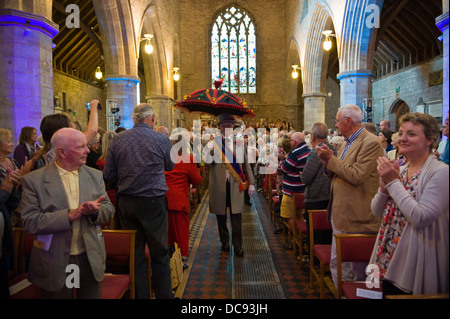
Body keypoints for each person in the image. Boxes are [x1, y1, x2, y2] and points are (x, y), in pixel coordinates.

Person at [20, 128, 115, 299]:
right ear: (61, 152)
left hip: (90, 256)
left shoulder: (94, 176)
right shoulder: (34, 181)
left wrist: (95, 212)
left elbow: (108, 209)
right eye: (80, 147)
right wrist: (68, 216)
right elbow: (29, 222)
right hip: (54, 259)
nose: (88, 150)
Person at [370, 112, 449, 295]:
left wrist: (392, 182)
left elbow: (420, 218)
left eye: (411, 134)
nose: (402, 138)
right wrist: (383, 189)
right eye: (401, 132)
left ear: (429, 139)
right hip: (387, 251)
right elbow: (375, 211)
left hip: (412, 259)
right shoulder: (402, 169)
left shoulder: (441, 173)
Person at [103, 103, 174, 299]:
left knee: (134, 255)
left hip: (127, 203)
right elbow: (170, 165)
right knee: (159, 253)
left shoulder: (118, 140)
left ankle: (140, 295)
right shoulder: (161, 139)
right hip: (153, 202)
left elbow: (108, 173)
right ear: (152, 120)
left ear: (134, 119)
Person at [316, 104, 384, 288]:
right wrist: (326, 162)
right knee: (340, 266)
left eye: (338, 121)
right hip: (341, 213)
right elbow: (340, 171)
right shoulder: (347, 142)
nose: (336, 125)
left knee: (361, 272)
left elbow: (356, 175)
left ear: (347, 121)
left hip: (357, 216)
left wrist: (331, 159)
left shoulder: (370, 142)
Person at [207, 113, 255, 257]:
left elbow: (246, 165)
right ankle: (225, 242)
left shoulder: (239, 142)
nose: (227, 128)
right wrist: (211, 151)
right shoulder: (213, 143)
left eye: (229, 125)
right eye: (224, 125)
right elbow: (207, 163)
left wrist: (251, 183)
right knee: (220, 216)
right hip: (219, 186)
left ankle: (238, 245)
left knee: (237, 217)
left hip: (235, 185)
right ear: (220, 128)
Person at [165, 131, 203, 268]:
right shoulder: (188, 159)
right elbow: (197, 180)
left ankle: (168, 259)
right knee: (180, 231)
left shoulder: (165, 157)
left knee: (166, 231)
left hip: (162, 199)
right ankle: (179, 260)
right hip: (179, 199)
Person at [300, 123, 335, 247]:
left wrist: (301, 174)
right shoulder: (334, 149)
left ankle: (313, 262)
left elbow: (306, 178)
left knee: (316, 236)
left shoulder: (316, 152)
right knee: (328, 236)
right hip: (331, 196)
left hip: (317, 198)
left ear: (313, 136)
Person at [39, 100, 99, 165]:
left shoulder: (46, 151)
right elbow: (92, 132)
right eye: (69, 125)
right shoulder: (65, 147)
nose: (72, 125)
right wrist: (94, 108)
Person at [0, 129, 22, 299]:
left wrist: (17, 182)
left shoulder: (11, 161)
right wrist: (7, 186)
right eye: (8, 140)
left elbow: (13, 198)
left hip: (8, 213)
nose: (12, 143)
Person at [280, 132, 309, 248]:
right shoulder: (308, 150)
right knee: (300, 215)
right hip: (303, 189)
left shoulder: (295, 153)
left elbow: (284, 168)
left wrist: (284, 160)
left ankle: (296, 240)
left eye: (291, 140)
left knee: (290, 216)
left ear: (295, 142)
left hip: (292, 189)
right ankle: (302, 240)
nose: (290, 142)